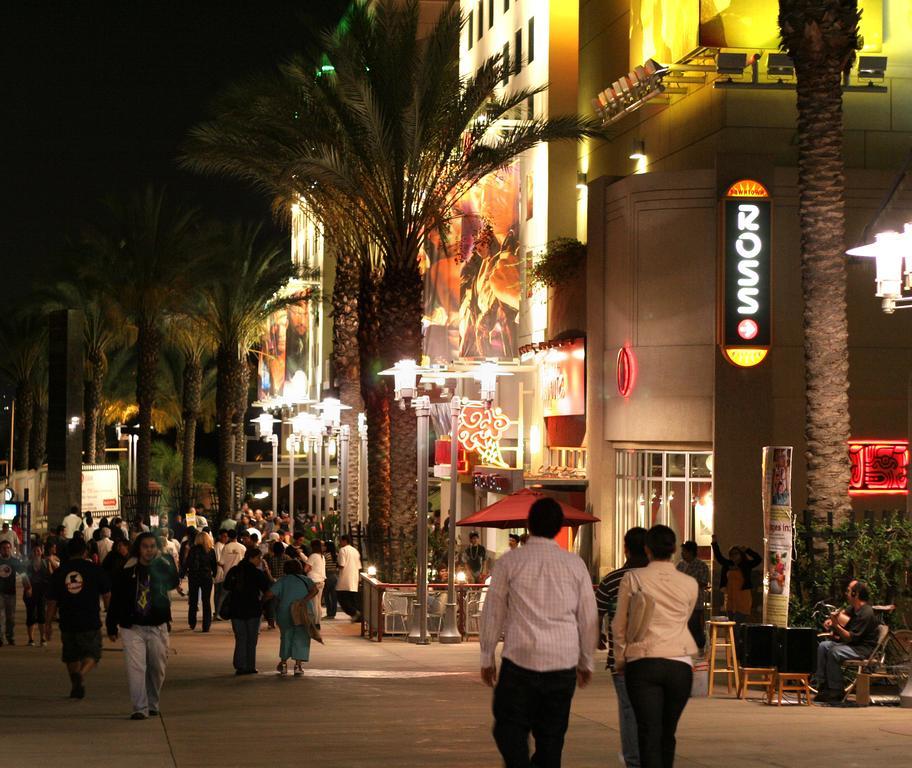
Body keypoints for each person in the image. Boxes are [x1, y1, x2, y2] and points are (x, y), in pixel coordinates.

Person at [480, 497, 598, 768]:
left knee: (509, 728)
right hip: (562, 662)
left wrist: (487, 655)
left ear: (529, 525)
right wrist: (586, 660)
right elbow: (588, 617)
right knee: (552, 736)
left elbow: (493, 610)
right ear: (559, 528)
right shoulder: (575, 565)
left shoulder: (510, 562)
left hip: (521, 659)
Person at [613, 525, 697, 768]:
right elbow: (685, 619)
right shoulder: (689, 583)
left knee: (648, 732)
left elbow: (620, 624)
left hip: (643, 661)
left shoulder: (633, 578)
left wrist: (621, 658)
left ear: (647, 549)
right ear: (673, 550)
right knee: (667, 733)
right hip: (680, 664)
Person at [106, 532, 179, 719]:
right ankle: (140, 707)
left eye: (152, 546)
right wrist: (111, 624)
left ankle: (153, 703)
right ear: (138, 548)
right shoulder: (127, 568)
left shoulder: (162, 565)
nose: (149, 550)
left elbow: (173, 583)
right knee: (136, 668)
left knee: (157, 668)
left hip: (157, 626)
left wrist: (164, 563)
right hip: (132, 627)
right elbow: (117, 597)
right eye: (145, 546)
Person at [595, 527, 648, 768]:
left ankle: (634, 761)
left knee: (629, 712)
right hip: (656, 656)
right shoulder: (660, 578)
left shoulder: (612, 579)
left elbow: (596, 613)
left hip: (622, 658)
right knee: (653, 714)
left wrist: (597, 637)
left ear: (625, 548)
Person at [45, 538, 111, 698]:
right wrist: (109, 611)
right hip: (89, 618)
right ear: (85, 551)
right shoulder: (94, 570)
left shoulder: (60, 572)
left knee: (71, 654)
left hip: (67, 620)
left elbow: (52, 601)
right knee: (93, 653)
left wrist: (48, 623)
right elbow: (107, 594)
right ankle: (81, 674)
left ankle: (76, 685)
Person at [814, 580, 882, 703]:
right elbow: (842, 615)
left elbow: (850, 638)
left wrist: (836, 626)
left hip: (862, 649)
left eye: (848, 590)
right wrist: (831, 620)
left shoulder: (866, 613)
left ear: (856, 593)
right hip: (851, 645)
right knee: (823, 646)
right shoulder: (853, 608)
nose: (846, 593)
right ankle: (823, 685)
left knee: (834, 652)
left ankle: (836, 690)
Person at [264, 558, 318, 676]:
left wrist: (261, 601)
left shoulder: (282, 581)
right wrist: (304, 600)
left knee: (286, 636)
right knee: (302, 637)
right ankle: (298, 666)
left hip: (285, 612)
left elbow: (269, 594)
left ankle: (283, 664)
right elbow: (315, 590)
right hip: (303, 612)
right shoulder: (306, 580)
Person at [224, 546, 271, 675]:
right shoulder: (257, 573)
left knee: (240, 638)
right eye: (259, 558)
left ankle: (240, 665)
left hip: (236, 608)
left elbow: (226, 586)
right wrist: (263, 603)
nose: (260, 560)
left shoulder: (234, 570)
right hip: (253, 609)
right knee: (251, 639)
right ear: (252, 558)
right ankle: (250, 666)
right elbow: (267, 588)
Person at [711, 534, 761, 623]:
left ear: (741, 554)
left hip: (743, 596)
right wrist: (714, 543)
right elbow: (719, 558)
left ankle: (738, 637)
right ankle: (733, 637)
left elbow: (758, 559)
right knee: (731, 623)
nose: (733, 556)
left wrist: (747, 550)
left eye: (736, 553)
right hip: (730, 596)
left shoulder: (746, 564)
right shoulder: (728, 564)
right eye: (731, 554)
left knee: (739, 623)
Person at [676, 540, 709, 653]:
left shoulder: (701, 565)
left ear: (690, 552)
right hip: (681, 603)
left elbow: (704, 582)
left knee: (695, 627)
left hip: (695, 603)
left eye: (684, 551)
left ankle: (699, 648)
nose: (682, 554)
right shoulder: (680, 565)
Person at [182, 531, 217, 632]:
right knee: (206, 601)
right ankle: (206, 625)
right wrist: (213, 575)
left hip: (194, 577)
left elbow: (187, 563)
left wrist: (183, 574)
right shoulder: (211, 551)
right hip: (206, 577)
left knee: (193, 600)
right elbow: (214, 565)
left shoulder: (193, 550)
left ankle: (192, 622)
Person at [0, 538, 28, 645]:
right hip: (0, 593)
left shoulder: (14, 561)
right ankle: (0, 638)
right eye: (4, 548)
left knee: (10, 617)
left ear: (10, 549)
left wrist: (28, 587)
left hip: (11, 593)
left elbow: (23, 574)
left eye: (8, 548)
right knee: (0, 616)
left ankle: (10, 636)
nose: (6, 550)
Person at [24, 544, 52, 646]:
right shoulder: (27, 564)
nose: (36, 553)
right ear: (32, 552)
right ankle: (31, 639)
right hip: (30, 591)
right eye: (35, 551)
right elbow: (24, 576)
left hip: (42, 592)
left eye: (38, 551)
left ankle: (42, 638)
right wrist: (28, 587)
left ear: (42, 552)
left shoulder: (46, 562)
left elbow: (50, 576)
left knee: (41, 615)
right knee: (30, 615)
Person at [217, 529, 246, 617]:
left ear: (228, 537)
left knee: (223, 595)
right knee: (239, 595)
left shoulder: (226, 547)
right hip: (240, 576)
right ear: (237, 536)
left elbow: (221, 562)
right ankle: (239, 612)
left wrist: (226, 568)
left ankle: (218, 613)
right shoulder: (242, 547)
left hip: (228, 575)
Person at [336, 535, 362, 622]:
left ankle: (354, 613)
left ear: (344, 541)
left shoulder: (342, 550)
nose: (340, 543)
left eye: (340, 541)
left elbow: (341, 565)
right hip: (354, 579)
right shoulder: (355, 551)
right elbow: (359, 566)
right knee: (352, 600)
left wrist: (336, 567)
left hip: (344, 579)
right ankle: (357, 616)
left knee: (342, 599)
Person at [306, 539, 327, 628]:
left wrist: (308, 569)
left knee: (314, 603)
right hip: (321, 581)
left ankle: (314, 622)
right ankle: (317, 622)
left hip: (313, 582)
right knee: (318, 603)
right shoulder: (322, 556)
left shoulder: (313, 556)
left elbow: (306, 569)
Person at [323, 539, 339, 620]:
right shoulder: (336, 555)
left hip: (328, 576)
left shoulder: (325, 556)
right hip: (335, 576)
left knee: (326, 595)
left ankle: (329, 613)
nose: (323, 547)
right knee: (333, 596)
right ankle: (333, 613)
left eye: (324, 546)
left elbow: (324, 567)